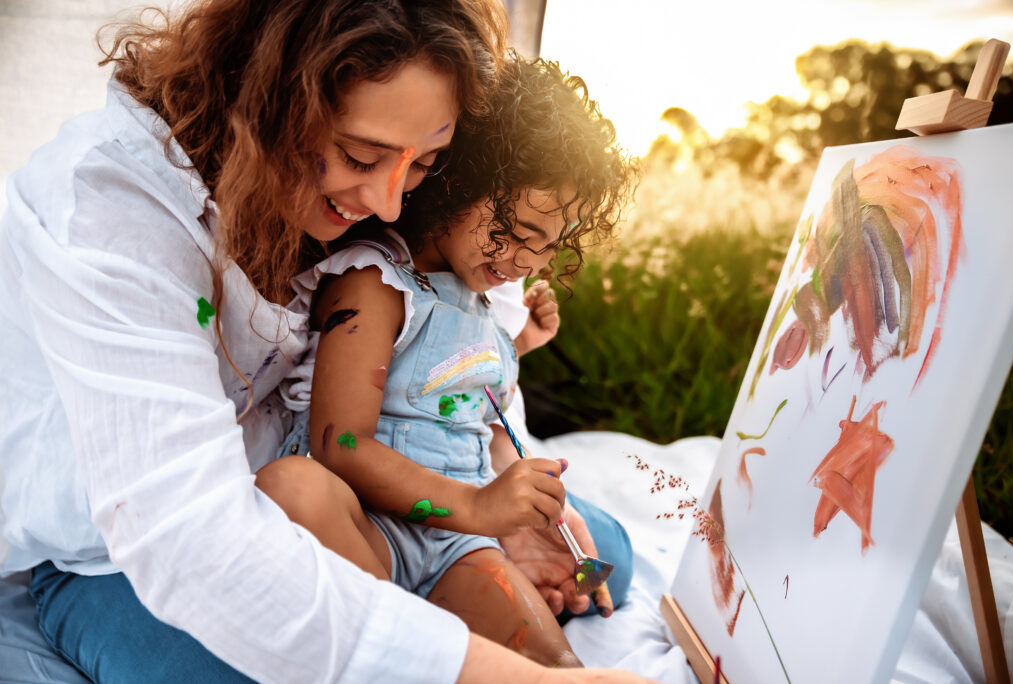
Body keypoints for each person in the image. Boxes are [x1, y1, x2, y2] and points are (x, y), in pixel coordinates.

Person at [0, 1, 651, 681]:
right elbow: (190, 540)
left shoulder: (382, 218)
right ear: (269, 101)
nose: (392, 203)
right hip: (114, 554)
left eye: (426, 162)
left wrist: (501, 509)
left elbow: (465, 376)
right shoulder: (108, 212)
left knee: (607, 557)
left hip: (377, 505)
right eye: (359, 155)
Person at [267, 55, 638, 666]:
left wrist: (517, 352)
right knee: (291, 487)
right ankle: (401, 648)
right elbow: (339, 444)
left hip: (458, 550)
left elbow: (453, 385)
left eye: (548, 247)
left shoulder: (483, 306)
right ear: (458, 180)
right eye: (518, 231)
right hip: (369, 534)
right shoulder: (376, 283)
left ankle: (419, 646)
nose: (526, 262)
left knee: (560, 671)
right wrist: (479, 508)